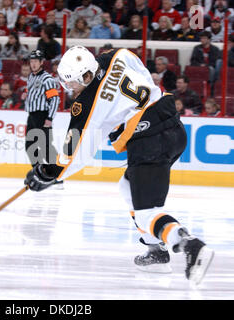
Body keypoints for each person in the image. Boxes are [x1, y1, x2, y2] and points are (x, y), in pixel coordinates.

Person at [24, 45, 215, 285]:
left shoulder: (87, 105)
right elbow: (140, 69)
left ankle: (188, 244)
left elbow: (77, 152)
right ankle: (155, 251)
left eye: (71, 82)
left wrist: (48, 173)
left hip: (149, 142)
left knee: (147, 214)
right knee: (126, 187)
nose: (69, 88)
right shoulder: (115, 55)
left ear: (85, 76)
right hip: (173, 127)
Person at [24, 50, 60, 174]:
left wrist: (50, 118)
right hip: (32, 115)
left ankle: (56, 175)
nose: (33, 64)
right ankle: (40, 171)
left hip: (43, 115)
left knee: (46, 147)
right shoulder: (31, 77)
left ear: (41, 62)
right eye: (31, 61)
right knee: (30, 146)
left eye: (36, 61)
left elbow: (55, 99)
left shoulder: (47, 79)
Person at [190, 31, 222, 95]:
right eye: (201, 38)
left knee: (211, 69)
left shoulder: (215, 49)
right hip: (199, 68)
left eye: (204, 38)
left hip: (210, 69)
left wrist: (206, 65)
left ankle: (211, 86)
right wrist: (200, 65)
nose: (202, 40)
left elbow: (215, 63)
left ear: (209, 39)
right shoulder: (197, 48)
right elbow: (193, 60)